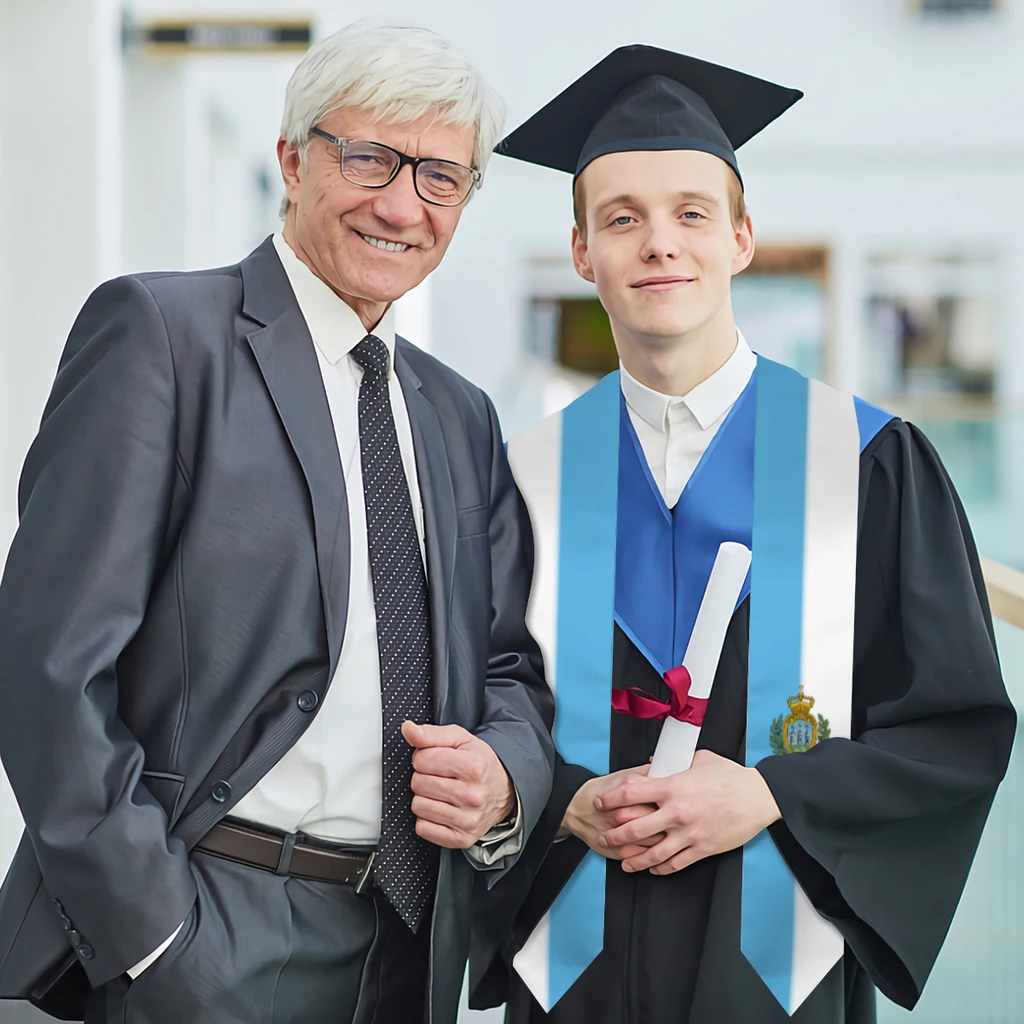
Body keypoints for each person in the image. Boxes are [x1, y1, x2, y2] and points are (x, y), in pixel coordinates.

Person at [0, 20, 554, 1024]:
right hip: (204, 929)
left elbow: (508, 662)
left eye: (440, 176)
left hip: (404, 944)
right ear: (292, 160)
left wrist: (505, 777)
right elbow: (49, 664)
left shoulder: (458, 413)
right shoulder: (164, 340)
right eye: (370, 157)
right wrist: (154, 937)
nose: (401, 204)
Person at [469, 45, 1016, 1024]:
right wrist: (562, 801)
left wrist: (772, 795)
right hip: (573, 972)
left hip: (778, 972)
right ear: (582, 252)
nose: (658, 243)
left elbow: (952, 728)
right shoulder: (518, 479)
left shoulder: (871, 463)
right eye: (621, 218)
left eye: (690, 212)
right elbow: (470, 711)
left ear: (742, 238)